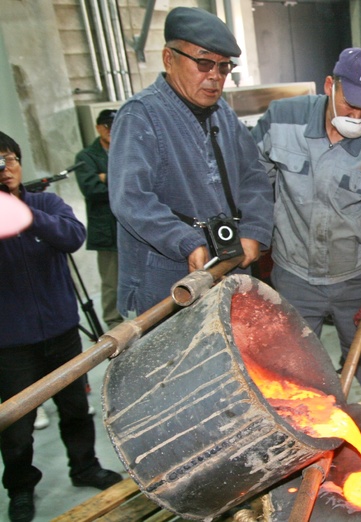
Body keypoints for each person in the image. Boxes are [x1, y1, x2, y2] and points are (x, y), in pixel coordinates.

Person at [251, 48, 361, 396]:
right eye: (351, 102)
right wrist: (255, 242)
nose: (358, 115)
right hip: (294, 277)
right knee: (291, 376)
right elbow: (253, 187)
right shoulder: (281, 120)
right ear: (328, 86)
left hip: (355, 279)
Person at [109, 7, 274, 316]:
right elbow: (130, 198)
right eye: (203, 63)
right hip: (167, 281)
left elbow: (254, 178)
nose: (215, 76)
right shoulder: (140, 115)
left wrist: (253, 230)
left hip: (228, 272)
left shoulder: (223, 114)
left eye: (224, 67)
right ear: (168, 59)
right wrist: (183, 240)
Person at [0, 131, 122, 522]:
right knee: (16, 427)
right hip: (11, 342)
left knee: (75, 409)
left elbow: (73, 236)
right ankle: (20, 488)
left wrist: (27, 215)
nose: (6, 170)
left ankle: (84, 465)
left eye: (10, 160)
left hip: (61, 331)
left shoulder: (45, 203)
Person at [74, 109, 122, 329]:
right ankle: (113, 322)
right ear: (98, 128)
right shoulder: (86, 156)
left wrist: (105, 177)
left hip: (129, 225)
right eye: (107, 126)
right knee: (111, 280)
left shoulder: (126, 148)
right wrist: (117, 178)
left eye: (115, 125)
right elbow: (91, 189)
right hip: (106, 228)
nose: (111, 131)